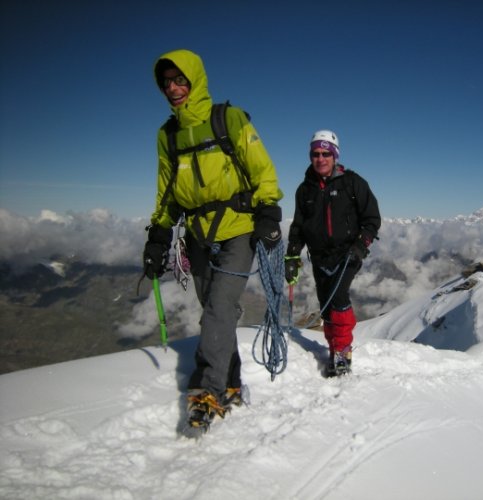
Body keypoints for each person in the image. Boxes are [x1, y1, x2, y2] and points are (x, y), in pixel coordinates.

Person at [143, 49, 283, 429]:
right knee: (214, 313)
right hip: (197, 234)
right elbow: (167, 191)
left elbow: (262, 168)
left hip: (238, 229)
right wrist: (159, 234)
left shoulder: (228, 119)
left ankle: (208, 389)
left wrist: (268, 209)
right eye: (166, 82)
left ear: (195, 79)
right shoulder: (167, 135)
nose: (173, 88)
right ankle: (232, 382)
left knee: (220, 308)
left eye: (180, 80)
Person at [285, 130, 380, 376]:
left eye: (326, 153)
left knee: (338, 299)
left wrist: (362, 244)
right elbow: (298, 227)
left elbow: (372, 219)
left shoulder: (353, 183)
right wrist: (293, 255)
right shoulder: (304, 190)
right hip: (318, 257)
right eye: (316, 153)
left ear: (334, 155)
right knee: (326, 304)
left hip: (348, 254)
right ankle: (333, 346)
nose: (321, 158)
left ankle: (342, 350)